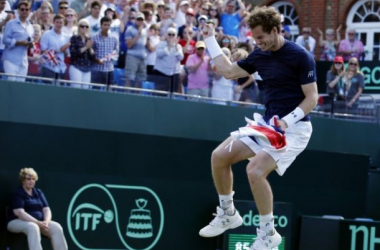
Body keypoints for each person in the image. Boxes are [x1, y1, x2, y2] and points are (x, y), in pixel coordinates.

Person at [199, 6, 318, 250]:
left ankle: (268, 234)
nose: (258, 42)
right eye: (255, 38)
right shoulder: (259, 54)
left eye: (261, 37)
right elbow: (229, 71)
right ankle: (227, 213)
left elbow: (312, 98)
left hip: (294, 129)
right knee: (219, 157)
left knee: (254, 171)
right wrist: (210, 39)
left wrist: (287, 120)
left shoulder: (301, 56)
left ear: (275, 31)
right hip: (268, 125)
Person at [7, 168, 68, 250]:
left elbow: (46, 209)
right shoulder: (18, 193)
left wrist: (46, 222)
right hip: (16, 222)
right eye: (28, 179)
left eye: (33, 179)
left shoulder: (38, 192)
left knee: (56, 227)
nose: (31, 181)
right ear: (23, 180)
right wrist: (38, 223)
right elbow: (19, 213)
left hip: (40, 222)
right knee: (33, 226)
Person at [2, 0, 34, 82]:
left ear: (29, 11)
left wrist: (31, 44)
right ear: (18, 11)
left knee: (20, 87)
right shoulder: (11, 23)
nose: (24, 11)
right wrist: (17, 42)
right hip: (10, 59)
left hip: (23, 61)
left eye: (26, 10)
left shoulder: (30, 26)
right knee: (11, 84)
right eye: (22, 9)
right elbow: (5, 40)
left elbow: (31, 40)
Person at [40, 14, 70, 83]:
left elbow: (67, 54)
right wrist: (59, 50)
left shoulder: (66, 36)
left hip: (61, 69)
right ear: (53, 22)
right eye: (57, 22)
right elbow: (43, 51)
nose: (59, 24)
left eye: (61, 22)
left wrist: (64, 50)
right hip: (48, 68)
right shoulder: (46, 34)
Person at [91, 16, 119, 89]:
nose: (106, 27)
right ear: (101, 25)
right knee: (95, 91)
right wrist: (97, 60)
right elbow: (90, 53)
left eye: (108, 25)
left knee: (109, 92)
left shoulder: (114, 38)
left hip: (109, 69)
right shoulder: (94, 37)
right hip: (97, 69)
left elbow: (116, 52)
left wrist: (112, 57)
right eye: (105, 25)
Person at [153, 27, 184, 92]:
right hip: (161, 72)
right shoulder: (160, 44)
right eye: (169, 34)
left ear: (176, 36)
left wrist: (175, 48)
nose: (171, 36)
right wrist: (169, 46)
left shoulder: (178, 46)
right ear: (166, 35)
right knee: (160, 94)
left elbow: (181, 57)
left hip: (174, 73)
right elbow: (159, 54)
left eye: (173, 35)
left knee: (173, 94)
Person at [69, 18, 94, 88]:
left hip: (87, 68)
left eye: (86, 26)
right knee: (76, 88)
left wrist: (90, 48)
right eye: (82, 26)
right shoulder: (74, 38)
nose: (84, 28)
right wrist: (86, 47)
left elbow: (93, 56)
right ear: (79, 27)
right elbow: (73, 53)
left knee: (85, 90)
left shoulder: (89, 39)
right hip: (76, 66)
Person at [125, 12, 147, 89]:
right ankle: (126, 98)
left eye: (142, 19)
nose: (140, 21)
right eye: (138, 19)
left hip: (142, 58)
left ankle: (138, 98)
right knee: (129, 78)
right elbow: (129, 45)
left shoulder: (145, 30)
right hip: (132, 57)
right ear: (135, 20)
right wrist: (138, 34)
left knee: (141, 80)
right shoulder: (129, 29)